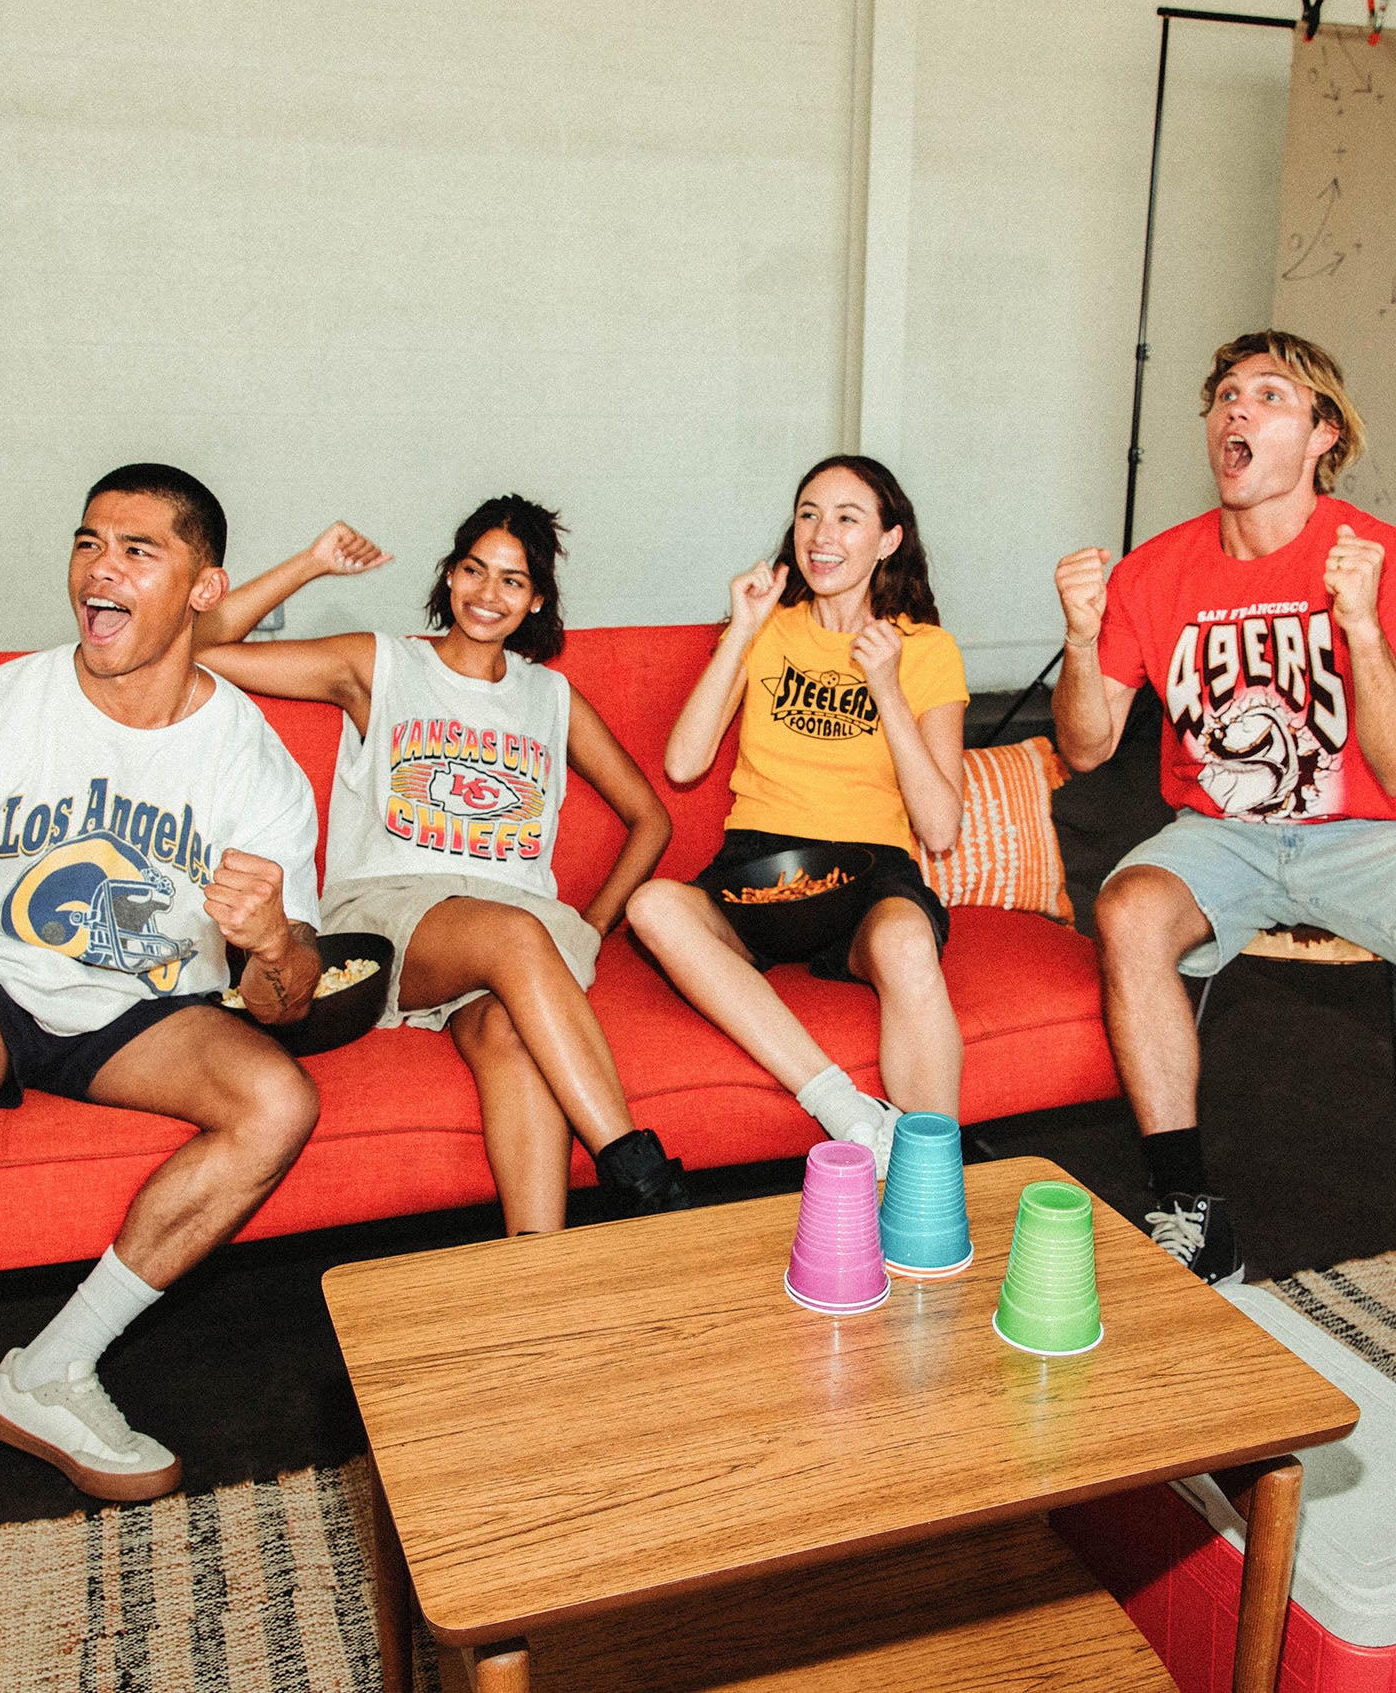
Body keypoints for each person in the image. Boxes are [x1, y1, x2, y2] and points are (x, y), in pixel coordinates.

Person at [199, 494, 690, 1234]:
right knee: (515, 935)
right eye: (473, 569)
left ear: (537, 600)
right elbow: (201, 646)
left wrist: (591, 925)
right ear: (450, 574)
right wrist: (311, 564)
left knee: (510, 1035)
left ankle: (537, 1266)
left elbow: (652, 818)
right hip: (396, 913)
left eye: (513, 581)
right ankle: (640, 1173)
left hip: (516, 936)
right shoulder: (380, 665)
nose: (488, 593)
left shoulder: (550, 696)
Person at [0, 463, 324, 1503]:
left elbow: (290, 1001)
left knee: (278, 1100)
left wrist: (271, 945)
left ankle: (47, 1371)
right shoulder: (12, 700)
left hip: (140, 1010)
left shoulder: (251, 761)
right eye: (89, 543)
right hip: (2, 978)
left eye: (138, 551)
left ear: (204, 589)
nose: (102, 568)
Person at [1052, 329, 1396, 1283]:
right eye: (1226, 395)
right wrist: (1080, 639)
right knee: (1128, 911)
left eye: (1271, 395)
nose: (1237, 407)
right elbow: (1085, 747)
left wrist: (1363, 631)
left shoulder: (1376, 559)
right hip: (1223, 833)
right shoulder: (1156, 571)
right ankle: (1186, 1203)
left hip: (1367, 832)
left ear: (1325, 435)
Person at [626, 455, 967, 1175]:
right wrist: (742, 630)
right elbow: (684, 763)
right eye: (808, 513)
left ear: (889, 540)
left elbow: (939, 827)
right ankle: (845, 1109)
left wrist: (886, 687)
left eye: (847, 517)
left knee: (908, 944)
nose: (821, 534)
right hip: (758, 869)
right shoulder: (769, 630)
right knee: (653, 905)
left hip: (871, 875)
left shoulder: (926, 649)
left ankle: (932, 1182)